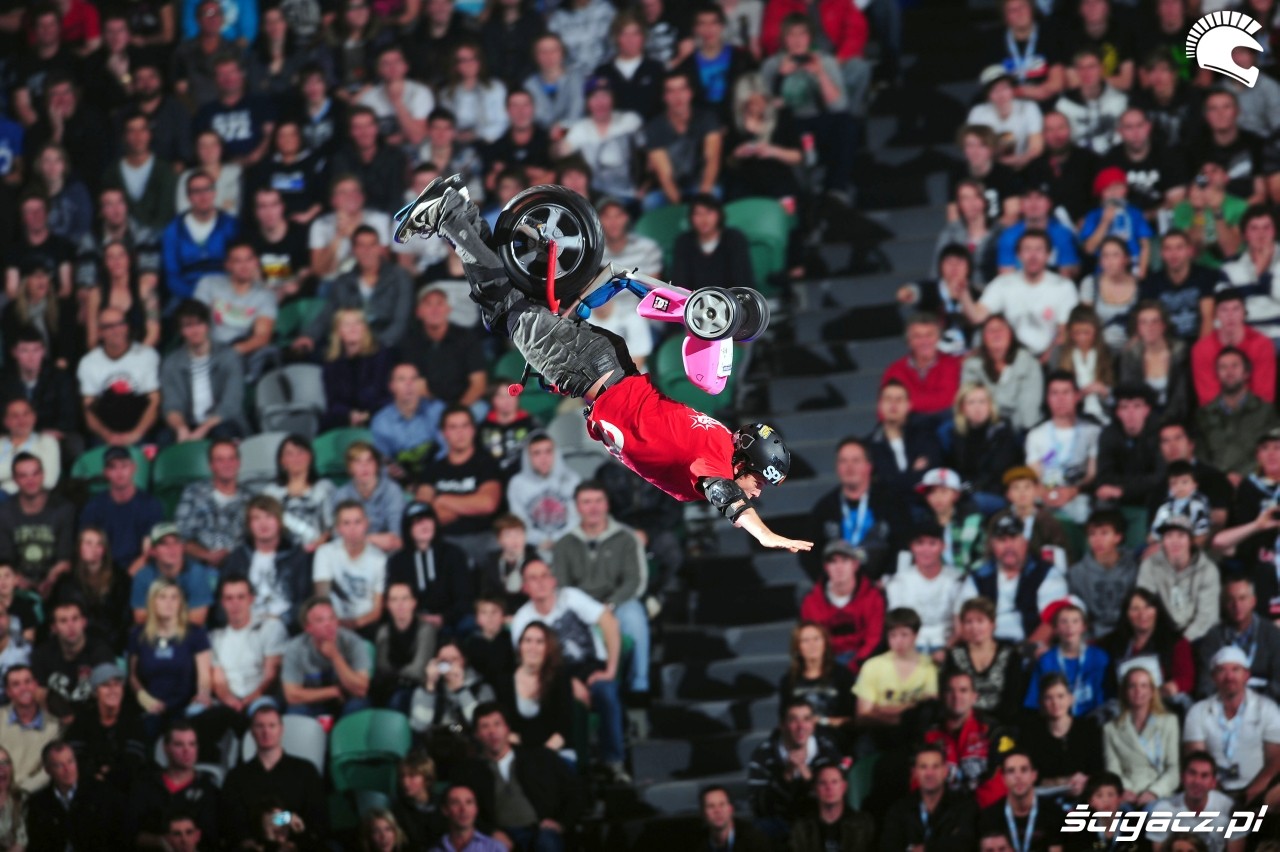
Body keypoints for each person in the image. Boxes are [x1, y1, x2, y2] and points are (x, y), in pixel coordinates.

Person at [510, 559, 628, 781]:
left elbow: (609, 623)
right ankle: (571, 764)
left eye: (544, 576)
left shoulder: (571, 597)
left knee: (606, 692)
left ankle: (614, 762)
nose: (540, 582)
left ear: (553, 580)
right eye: (533, 578)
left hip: (591, 667)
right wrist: (568, 683)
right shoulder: (522, 620)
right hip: (551, 677)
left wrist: (611, 670)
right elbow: (528, 663)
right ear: (524, 587)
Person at [551, 481, 649, 696]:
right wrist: (587, 609)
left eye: (598, 501)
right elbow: (561, 585)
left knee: (634, 616)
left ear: (607, 504)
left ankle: (639, 685)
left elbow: (635, 581)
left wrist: (610, 604)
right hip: (579, 608)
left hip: (617, 603)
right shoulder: (564, 543)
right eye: (586, 502)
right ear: (577, 507)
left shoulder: (626, 538)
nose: (593, 507)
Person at [453, 702, 583, 852]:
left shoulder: (539, 758)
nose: (492, 732)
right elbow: (458, 810)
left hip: (539, 831)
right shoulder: (469, 771)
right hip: (499, 835)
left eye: (497, 724)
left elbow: (576, 791)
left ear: (507, 729)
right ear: (477, 734)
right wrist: (490, 832)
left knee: (547, 843)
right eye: (485, 726)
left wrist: (561, 823)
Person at [1184, 645, 1280, 804]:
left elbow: (1276, 759)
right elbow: (1196, 760)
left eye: (1236, 670)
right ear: (1213, 677)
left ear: (1247, 675)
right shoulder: (1198, 711)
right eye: (1222, 670)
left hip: (1258, 790)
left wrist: (1252, 792)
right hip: (1211, 791)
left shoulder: (1267, 709)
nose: (1229, 677)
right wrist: (1218, 796)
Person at [223, 702, 328, 846]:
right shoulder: (236, 777)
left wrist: (282, 822)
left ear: (281, 729)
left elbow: (317, 820)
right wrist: (283, 818)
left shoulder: (305, 771)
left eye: (272, 726)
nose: (266, 731)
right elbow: (232, 824)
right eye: (259, 726)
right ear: (251, 731)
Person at [960, 513, 1068, 646]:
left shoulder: (1046, 573)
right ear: (992, 545)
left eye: (1013, 538)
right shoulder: (978, 577)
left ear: (1025, 542)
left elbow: (1052, 622)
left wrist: (1026, 650)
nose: (1008, 546)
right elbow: (964, 622)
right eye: (1001, 540)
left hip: (1029, 649)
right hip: (987, 649)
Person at [807, 438, 907, 581]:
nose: (849, 467)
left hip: (883, 586)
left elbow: (902, 545)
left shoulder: (890, 504)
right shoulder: (825, 509)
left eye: (856, 461)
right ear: (837, 467)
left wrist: (887, 580)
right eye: (843, 461)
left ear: (869, 466)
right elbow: (809, 555)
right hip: (839, 587)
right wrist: (827, 583)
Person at [128, 580, 213, 738]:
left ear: (181, 602)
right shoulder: (138, 634)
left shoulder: (196, 633)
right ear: (152, 601)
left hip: (185, 707)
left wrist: (203, 694)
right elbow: (132, 675)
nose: (169, 603)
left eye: (174, 597)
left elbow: (204, 676)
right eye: (163, 597)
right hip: (149, 706)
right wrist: (144, 698)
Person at [746, 697, 842, 836]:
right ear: (782, 725)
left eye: (806, 719)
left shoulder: (827, 750)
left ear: (813, 724)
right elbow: (758, 807)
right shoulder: (763, 754)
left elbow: (837, 800)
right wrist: (787, 776)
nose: (801, 727)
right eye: (793, 720)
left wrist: (809, 778)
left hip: (818, 821)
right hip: (780, 822)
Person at [221, 495, 314, 630]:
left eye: (269, 516)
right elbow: (222, 603)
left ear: (279, 521)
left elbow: (305, 602)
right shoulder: (238, 557)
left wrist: (282, 620)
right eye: (256, 518)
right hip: (244, 627)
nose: (263, 524)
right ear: (249, 525)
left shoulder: (297, 557)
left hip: (286, 628)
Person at [125, 721, 221, 850]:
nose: (187, 750)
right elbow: (130, 833)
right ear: (166, 748)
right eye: (179, 744)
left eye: (192, 744)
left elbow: (213, 839)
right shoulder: (145, 786)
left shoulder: (209, 790)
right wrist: (159, 841)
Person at [1024, 371, 1100, 526]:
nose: (1060, 399)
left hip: (1080, 495)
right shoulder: (1036, 435)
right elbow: (1034, 475)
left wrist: (1073, 491)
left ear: (1077, 396)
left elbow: (1093, 474)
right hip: (1046, 495)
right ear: (1047, 398)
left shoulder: (1093, 432)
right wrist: (1045, 492)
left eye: (1066, 393)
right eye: (1054, 393)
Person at [77, 306, 162, 446]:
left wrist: (136, 434)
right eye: (109, 326)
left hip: (141, 431)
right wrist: (108, 436)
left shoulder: (147, 355)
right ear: (99, 332)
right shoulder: (88, 363)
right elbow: (88, 409)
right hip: (105, 434)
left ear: (127, 327)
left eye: (120, 324)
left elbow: (154, 402)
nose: (116, 330)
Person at [388, 502, 475, 635]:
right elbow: (395, 599)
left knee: (469, 622)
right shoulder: (398, 561)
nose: (425, 526)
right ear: (408, 529)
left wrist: (443, 618)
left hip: (452, 621)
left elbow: (464, 597)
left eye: (428, 520)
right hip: (412, 622)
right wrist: (417, 618)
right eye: (417, 522)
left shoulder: (454, 554)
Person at [799, 540, 884, 674]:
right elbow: (811, 641)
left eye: (844, 560)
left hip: (864, 664)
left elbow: (874, 638)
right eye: (833, 562)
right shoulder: (811, 601)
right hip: (827, 665)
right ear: (826, 567)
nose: (839, 567)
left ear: (855, 565)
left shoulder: (873, 597)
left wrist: (856, 665)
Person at [1103, 661, 1180, 808]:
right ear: (1125, 692)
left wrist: (1154, 792)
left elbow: (1173, 769)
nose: (1138, 691)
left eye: (1144, 685)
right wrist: (1125, 790)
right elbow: (1113, 770)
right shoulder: (1111, 729)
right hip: (1127, 794)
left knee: (1156, 811)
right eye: (1132, 686)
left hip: (1159, 793)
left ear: (1152, 691)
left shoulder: (1169, 722)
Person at [26, 739, 125, 851]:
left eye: (70, 762)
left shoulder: (101, 794)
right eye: (59, 765)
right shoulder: (39, 803)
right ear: (48, 770)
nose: (67, 770)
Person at [879, 741, 979, 852]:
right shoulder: (899, 810)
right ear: (915, 772)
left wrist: (926, 849)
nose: (929, 773)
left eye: (935, 767)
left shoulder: (964, 806)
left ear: (945, 771)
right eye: (923, 767)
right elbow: (888, 846)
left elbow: (966, 843)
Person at [281, 596, 371, 717]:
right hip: (314, 704)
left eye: (332, 618)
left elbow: (361, 690)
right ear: (308, 628)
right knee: (296, 710)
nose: (329, 624)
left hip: (345, 702)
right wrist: (334, 691)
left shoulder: (353, 642)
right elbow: (292, 696)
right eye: (320, 620)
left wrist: (335, 656)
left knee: (358, 704)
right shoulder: (295, 648)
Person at [78, 448, 164, 575]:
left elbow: (149, 553)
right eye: (113, 467)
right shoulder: (94, 507)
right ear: (105, 473)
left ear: (133, 468)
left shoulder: (151, 505)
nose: (119, 472)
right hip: (102, 573)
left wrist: (125, 579)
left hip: (139, 573)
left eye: (124, 466)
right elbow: (87, 549)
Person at [885, 521, 966, 655]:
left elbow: (960, 629)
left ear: (943, 546)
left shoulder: (956, 581)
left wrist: (946, 651)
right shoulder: (899, 582)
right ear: (912, 547)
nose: (926, 550)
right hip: (908, 650)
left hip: (948, 648)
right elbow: (896, 626)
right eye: (920, 543)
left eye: (932, 543)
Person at [493, 622, 573, 756]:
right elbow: (504, 729)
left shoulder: (560, 678)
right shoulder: (504, 681)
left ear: (548, 648)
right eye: (528, 641)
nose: (532, 647)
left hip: (555, 752)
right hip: (517, 753)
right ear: (520, 646)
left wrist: (540, 757)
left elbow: (565, 728)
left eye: (539, 642)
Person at [210, 576, 288, 714]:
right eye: (229, 598)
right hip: (228, 702)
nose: (235, 603)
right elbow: (219, 682)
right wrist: (231, 701)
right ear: (222, 602)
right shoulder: (215, 637)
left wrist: (250, 699)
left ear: (251, 599)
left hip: (262, 697)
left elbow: (271, 676)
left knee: (261, 711)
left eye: (241, 597)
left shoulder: (271, 627)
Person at [854, 607, 938, 735]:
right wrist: (909, 710)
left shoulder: (929, 665)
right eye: (893, 635)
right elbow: (863, 714)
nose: (898, 641)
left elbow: (929, 709)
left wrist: (881, 709)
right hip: (878, 734)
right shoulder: (872, 665)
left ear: (915, 635)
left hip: (916, 734)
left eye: (904, 635)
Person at [1136, 515, 1219, 643]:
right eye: (1169, 536)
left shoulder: (1208, 569)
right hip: (1160, 635)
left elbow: (1207, 616)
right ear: (1162, 541)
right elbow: (1145, 606)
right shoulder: (1150, 565)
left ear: (1191, 541)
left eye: (1181, 535)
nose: (1174, 541)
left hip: (1199, 636)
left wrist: (1184, 641)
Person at [0, 452, 74, 596]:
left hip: (57, 582)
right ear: (15, 479)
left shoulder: (64, 509)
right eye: (23, 476)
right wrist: (19, 580)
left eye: (35, 474)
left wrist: (50, 580)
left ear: (43, 475)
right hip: (16, 584)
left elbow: (64, 558)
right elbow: (5, 559)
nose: (30, 480)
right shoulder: (4, 513)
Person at [64, 661, 147, 788]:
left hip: (126, 787)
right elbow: (74, 756)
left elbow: (135, 759)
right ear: (95, 692)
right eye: (106, 685)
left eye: (117, 685)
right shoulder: (82, 720)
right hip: (88, 785)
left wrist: (111, 774)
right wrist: (93, 773)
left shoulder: (133, 720)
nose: (112, 690)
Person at [960, 315, 1046, 435]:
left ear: (1011, 334)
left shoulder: (1028, 363)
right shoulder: (972, 366)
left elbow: (1028, 414)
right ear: (983, 337)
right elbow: (971, 406)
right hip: (982, 430)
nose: (996, 334)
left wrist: (992, 406)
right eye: (991, 330)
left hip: (1023, 431)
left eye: (1000, 329)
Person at [1198, 576, 1280, 702]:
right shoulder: (1214, 637)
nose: (1237, 605)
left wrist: (1257, 705)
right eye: (1231, 600)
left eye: (1242, 598)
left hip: (1266, 704)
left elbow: (1278, 681)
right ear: (1224, 604)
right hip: (1223, 705)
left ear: (1253, 601)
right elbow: (1206, 682)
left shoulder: (1272, 634)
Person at [312, 501, 387, 637]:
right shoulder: (325, 553)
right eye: (346, 523)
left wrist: (353, 624)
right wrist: (334, 623)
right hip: (332, 623)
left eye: (357, 522)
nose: (353, 528)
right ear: (338, 528)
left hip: (366, 624)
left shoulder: (379, 559)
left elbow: (377, 611)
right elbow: (322, 598)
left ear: (366, 524)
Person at [32, 598, 114, 723]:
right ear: (54, 628)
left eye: (75, 619)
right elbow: (39, 694)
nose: (71, 626)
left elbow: (109, 693)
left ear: (84, 622)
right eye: (63, 621)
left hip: (92, 720)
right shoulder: (42, 653)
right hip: (54, 720)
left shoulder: (101, 652)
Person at [1144, 752, 1244, 852]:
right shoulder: (1163, 810)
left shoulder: (1230, 809)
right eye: (1192, 773)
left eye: (1204, 776)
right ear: (1182, 778)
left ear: (1213, 782)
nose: (1197, 781)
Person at [174, 438, 248, 570]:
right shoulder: (194, 493)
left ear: (238, 463)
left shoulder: (249, 499)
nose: (227, 464)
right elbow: (179, 536)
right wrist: (206, 555)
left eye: (231, 459)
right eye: (220, 460)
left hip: (239, 566)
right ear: (211, 465)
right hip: (198, 565)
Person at [319, 308, 394, 433]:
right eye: (346, 324)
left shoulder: (381, 355)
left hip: (377, 414)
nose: (353, 328)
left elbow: (387, 395)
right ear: (338, 332)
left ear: (365, 328)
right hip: (344, 418)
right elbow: (333, 401)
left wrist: (368, 414)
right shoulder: (331, 363)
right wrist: (350, 414)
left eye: (357, 323)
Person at [865, 380, 943, 501]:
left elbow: (933, 473)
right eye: (888, 399)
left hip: (923, 504)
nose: (893, 404)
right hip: (888, 506)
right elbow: (879, 486)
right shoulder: (868, 445)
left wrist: (894, 479)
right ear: (880, 405)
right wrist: (913, 473)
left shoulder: (925, 435)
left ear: (909, 405)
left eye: (899, 400)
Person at [55, 528, 132, 652]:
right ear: (79, 547)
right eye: (88, 543)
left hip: (110, 644)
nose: (94, 549)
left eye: (99, 544)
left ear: (104, 549)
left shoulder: (120, 579)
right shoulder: (67, 580)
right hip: (74, 645)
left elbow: (124, 618)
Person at [1066, 509, 1138, 639]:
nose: (1097, 540)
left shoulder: (1134, 567)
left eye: (1104, 533)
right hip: (1091, 638)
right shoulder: (1076, 572)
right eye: (1092, 534)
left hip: (1129, 635)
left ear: (1118, 537)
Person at [260, 435, 336, 554]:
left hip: (320, 552)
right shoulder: (271, 492)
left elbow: (332, 526)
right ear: (281, 461)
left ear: (310, 456)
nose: (296, 458)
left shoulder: (325, 487)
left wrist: (316, 545)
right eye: (289, 454)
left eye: (300, 452)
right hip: (281, 554)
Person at [373, 363, 446, 486]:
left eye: (414, 379)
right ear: (392, 386)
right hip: (403, 484)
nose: (409, 384)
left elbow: (447, 451)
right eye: (402, 379)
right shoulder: (381, 422)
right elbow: (383, 463)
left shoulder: (437, 410)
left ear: (421, 383)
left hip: (439, 477)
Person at [1117, 300, 1190, 422]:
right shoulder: (1130, 357)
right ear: (1138, 328)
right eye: (1143, 322)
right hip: (1143, 422)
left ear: (1163, 325)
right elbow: (1130, 395)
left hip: (1177, 420)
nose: (1149, 327)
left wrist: (1164, 422)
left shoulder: (1180, 354)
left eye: (1155, 321)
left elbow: (1181, 398)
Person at [1141, 230, 1219, 342]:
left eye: (1179, 248)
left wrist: (1201, 349)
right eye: (1168, 249)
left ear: (1189, 251)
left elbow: (1208, 317)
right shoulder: (1152, 282)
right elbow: (1148, 322)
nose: (1174, 254)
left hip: (1200, 341)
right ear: (1161, 253)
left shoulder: (1205, 276)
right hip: (1167, 345)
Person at [976, 751, 1061, 852]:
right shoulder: (989, 817)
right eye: (1011, 771)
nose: (1018, 776)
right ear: (1003, 778)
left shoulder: (1053, 813)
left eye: (1024, 770)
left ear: (1034, 775)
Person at [331, 442, 405, 553]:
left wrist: (358, 540)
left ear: (377, 465)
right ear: (350, 468)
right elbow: (337, 537)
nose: (365, 467)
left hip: (387, 554)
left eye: (369, 461)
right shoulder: (341, 495)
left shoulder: (392, 490)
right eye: (358, 462)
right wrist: (372, 540)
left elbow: (396, 538)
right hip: (351, 554)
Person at [375, 581, 437, 712]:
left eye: (405, 599)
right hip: (388, 688)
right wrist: (399, 675)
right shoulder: (383, 631)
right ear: (387, 604)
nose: (400, 604)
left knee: (397, 700)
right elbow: (382, 667)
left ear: (414, 602)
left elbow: (418, 671)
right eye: (394, 599)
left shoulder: (425, 630)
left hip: (417, 688)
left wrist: (395, 673)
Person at [409, 640, 494, 734]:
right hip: (437, 738)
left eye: (454, 659)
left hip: (468, 738)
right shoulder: (425, 689)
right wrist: (430, 688)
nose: (449, 664)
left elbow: (481, 725)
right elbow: (419, 726)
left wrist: (461, 690)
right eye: (443, 660)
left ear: (464, 660)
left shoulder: (482, 688)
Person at [0, 666, 61, 792]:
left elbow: (48, 769)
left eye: (28, 682)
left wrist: (23, 791)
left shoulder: (53, 726)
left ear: (35, 685)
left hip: (31, 794)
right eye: (16, 684)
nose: (24, 688)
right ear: (8, 692)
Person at [788, 763, 874, 852]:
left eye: (834, 782)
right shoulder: (802, 828)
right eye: (822, 783)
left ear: (844, 787)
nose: (829, 788)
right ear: (814, 789)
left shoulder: (863, 825)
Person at [0, 398, 59, 496]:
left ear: (34, 417)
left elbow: (49, 481)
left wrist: (5, 487)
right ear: (6, 421)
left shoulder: (46, 442)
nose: (21, 420)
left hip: (22, 497)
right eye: (15, 416)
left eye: (26, 414)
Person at [430, 784, 506, 852]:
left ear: (476, 809)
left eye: (469, 802)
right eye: (455, 803)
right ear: (445, 810)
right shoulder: (435, 849)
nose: (463, 809)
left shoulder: (494, 848)